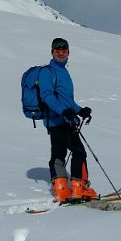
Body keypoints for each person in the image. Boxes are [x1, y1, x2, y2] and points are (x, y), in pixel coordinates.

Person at [38, 37, 95, 201]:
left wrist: (80, 110)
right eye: (57, 49)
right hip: (60, 121)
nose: (61, 52)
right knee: (79, 152)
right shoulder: (48, 72)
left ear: (68, 52)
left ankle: (61, 190)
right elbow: (46, 96)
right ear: (52, 52)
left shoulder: (63, 72)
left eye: (64, 49)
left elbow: (67, 100)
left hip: (61, 120)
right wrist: (64, 112)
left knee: (58, 154)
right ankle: (79, 188)